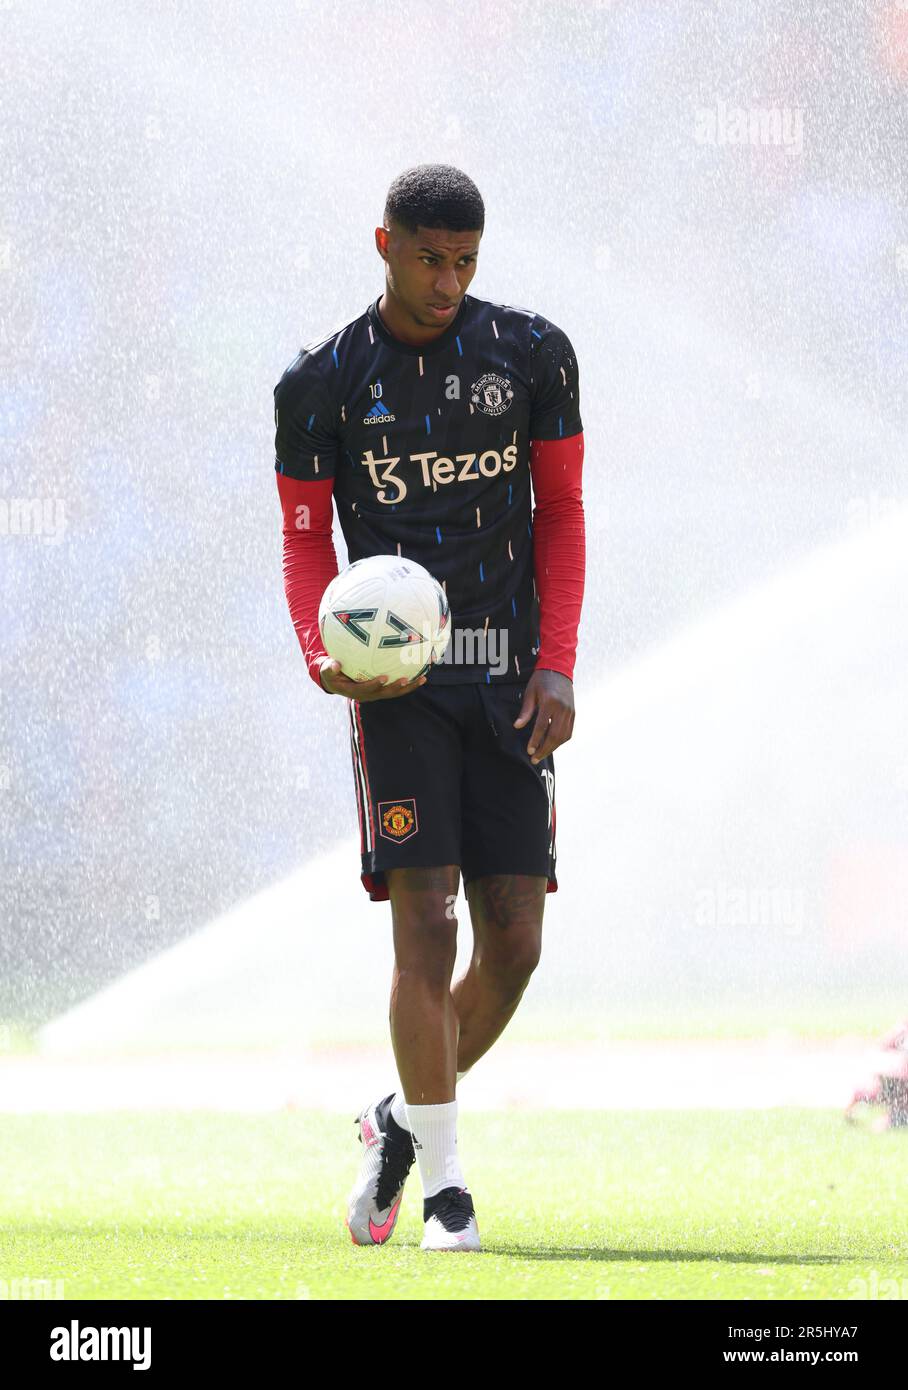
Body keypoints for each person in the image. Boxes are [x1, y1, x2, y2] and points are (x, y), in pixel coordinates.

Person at [273, 164, 585, 1251]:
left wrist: (557, 662)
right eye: (427, 260)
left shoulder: (531, 354)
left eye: (464, 262)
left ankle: (401, 1120)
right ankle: (447, 1186)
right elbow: (308, 538)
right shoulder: (318, 383)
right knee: (426, 923)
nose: (447, 283)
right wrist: (324, 656)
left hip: (508, 681)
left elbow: (561, 512)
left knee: (515, 944)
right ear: (383, 245)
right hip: (399, 688)